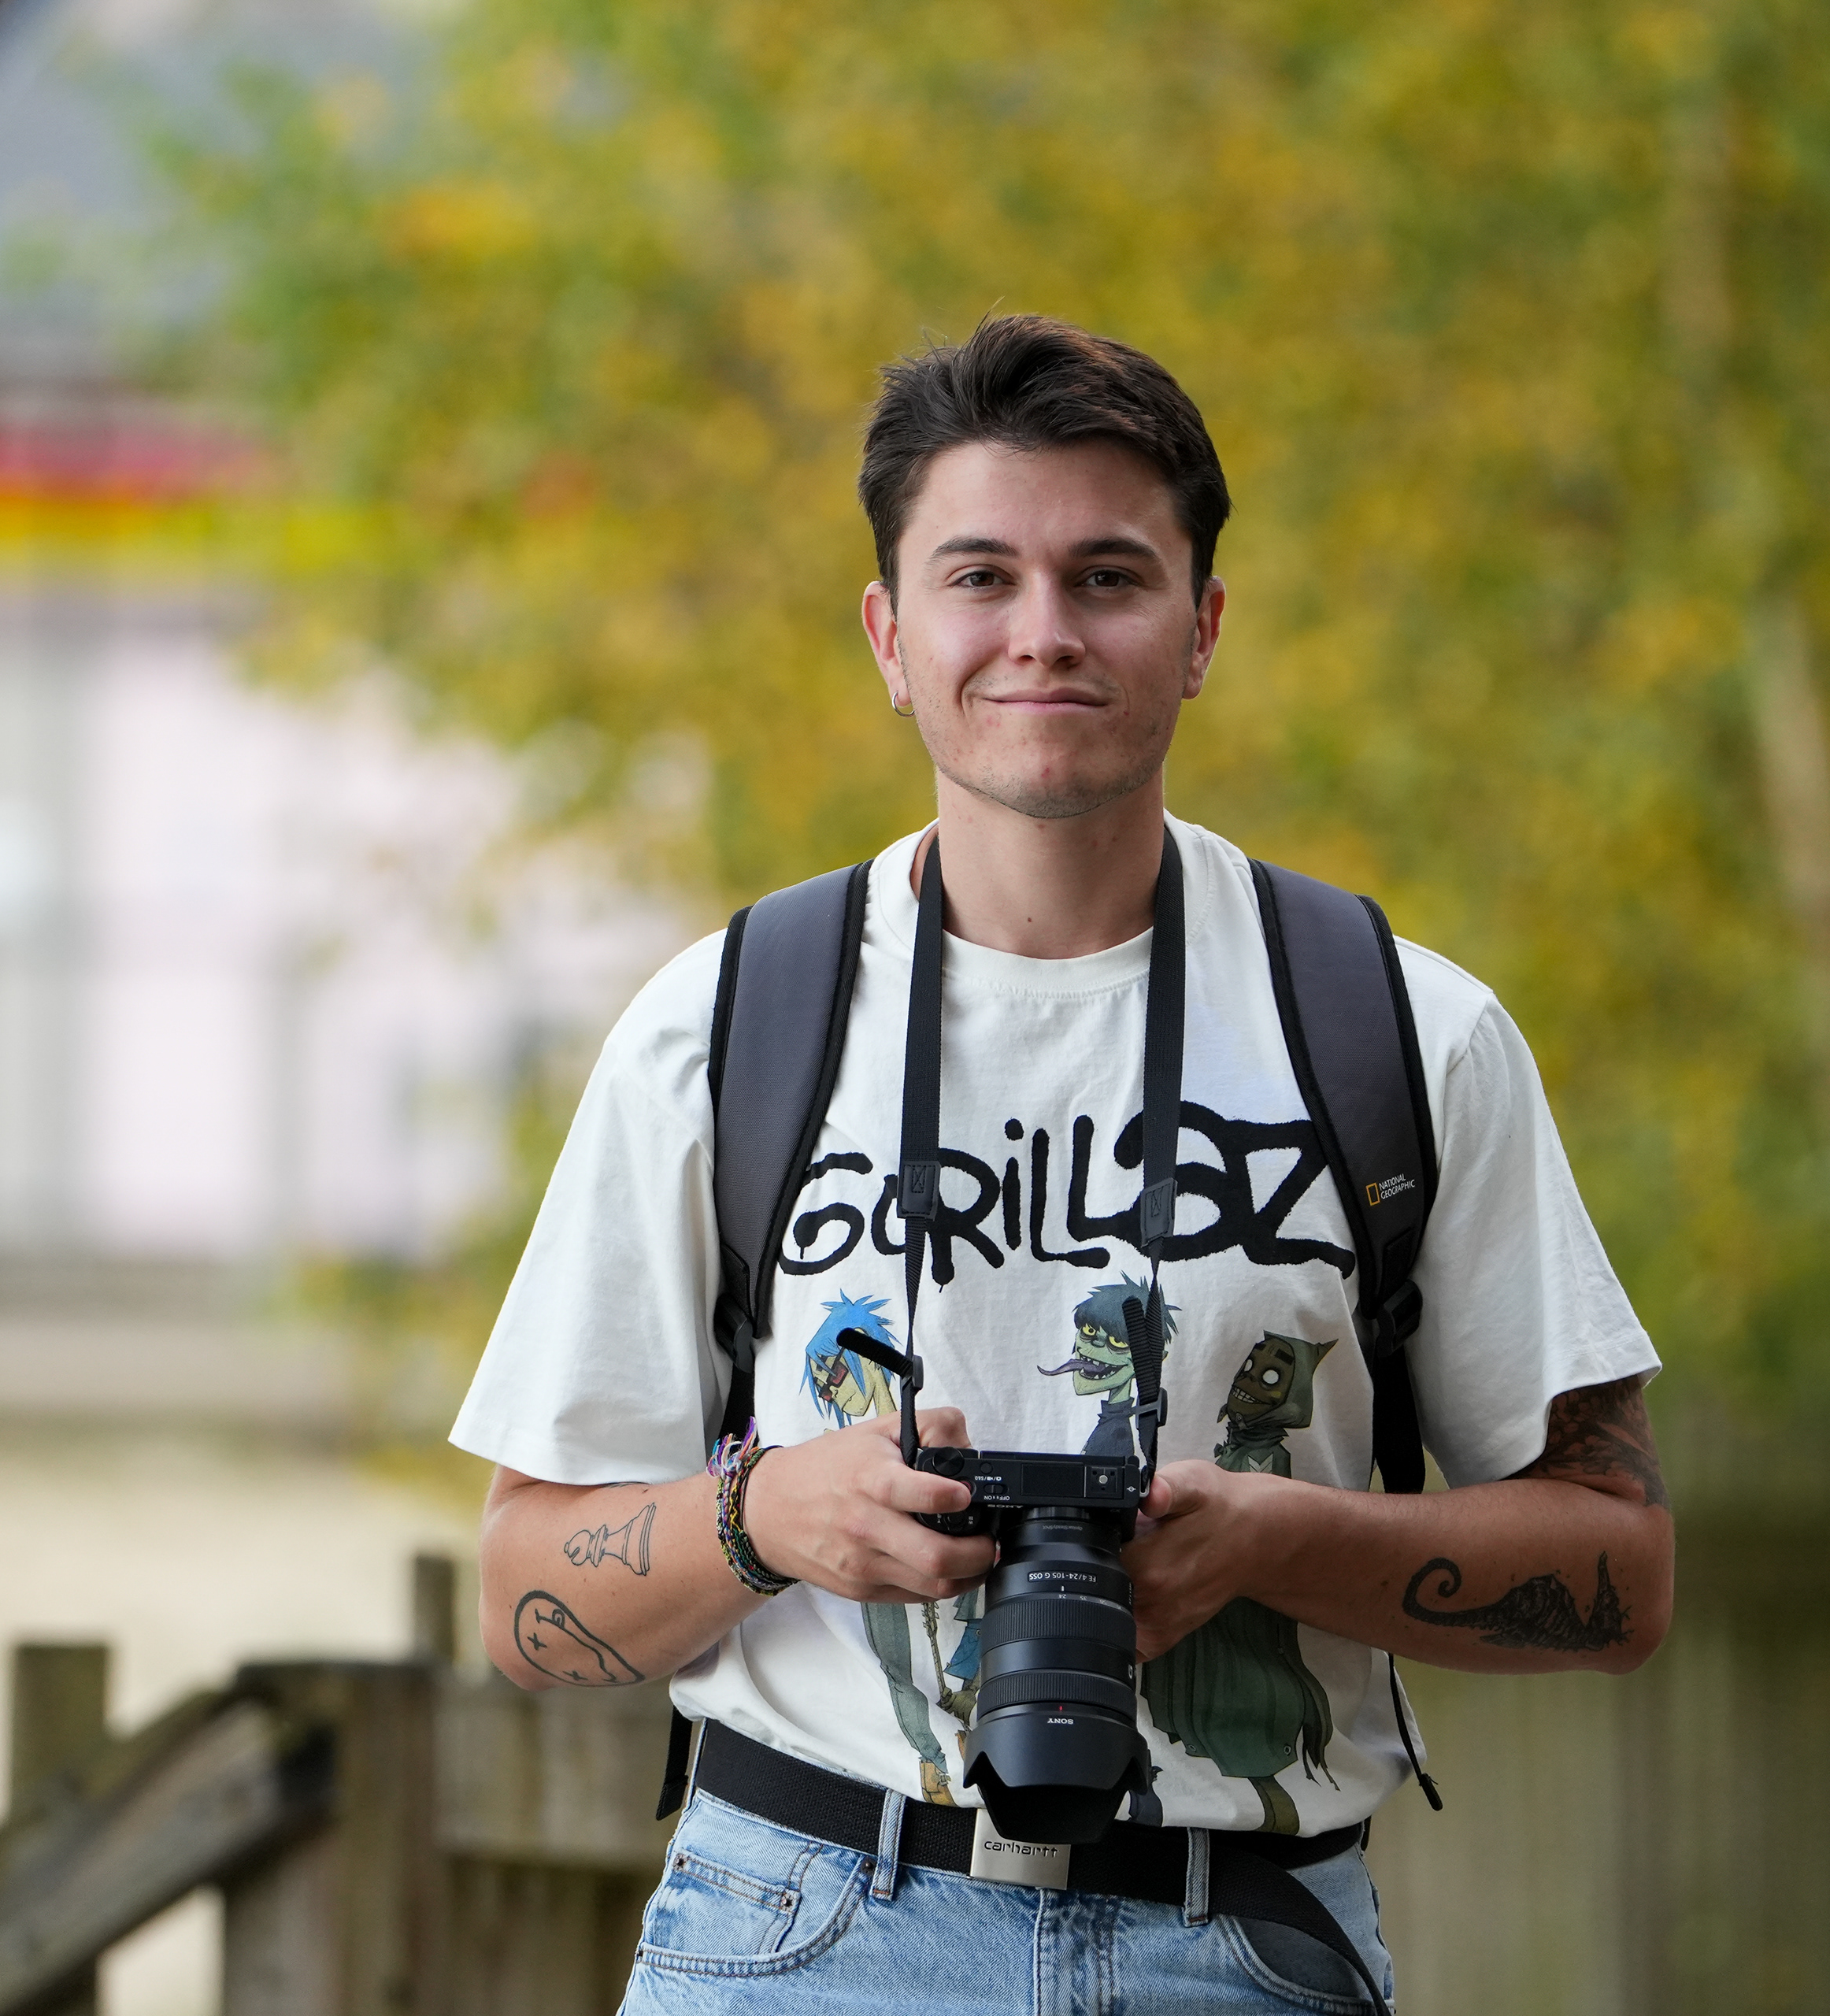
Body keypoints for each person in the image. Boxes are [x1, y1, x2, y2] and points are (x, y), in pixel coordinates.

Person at [451, 313, 1673, 2013]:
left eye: (1108, 576)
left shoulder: (1403, 1029)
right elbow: (520, 1595)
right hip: (799, 1924)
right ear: (890, 635)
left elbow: (1620, 1576)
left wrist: (1270, 1536)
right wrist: (773, 1516)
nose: (1043, 631)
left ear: (1203, 627)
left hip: (1243, 1937)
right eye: (979, 577)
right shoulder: (721, 1028)